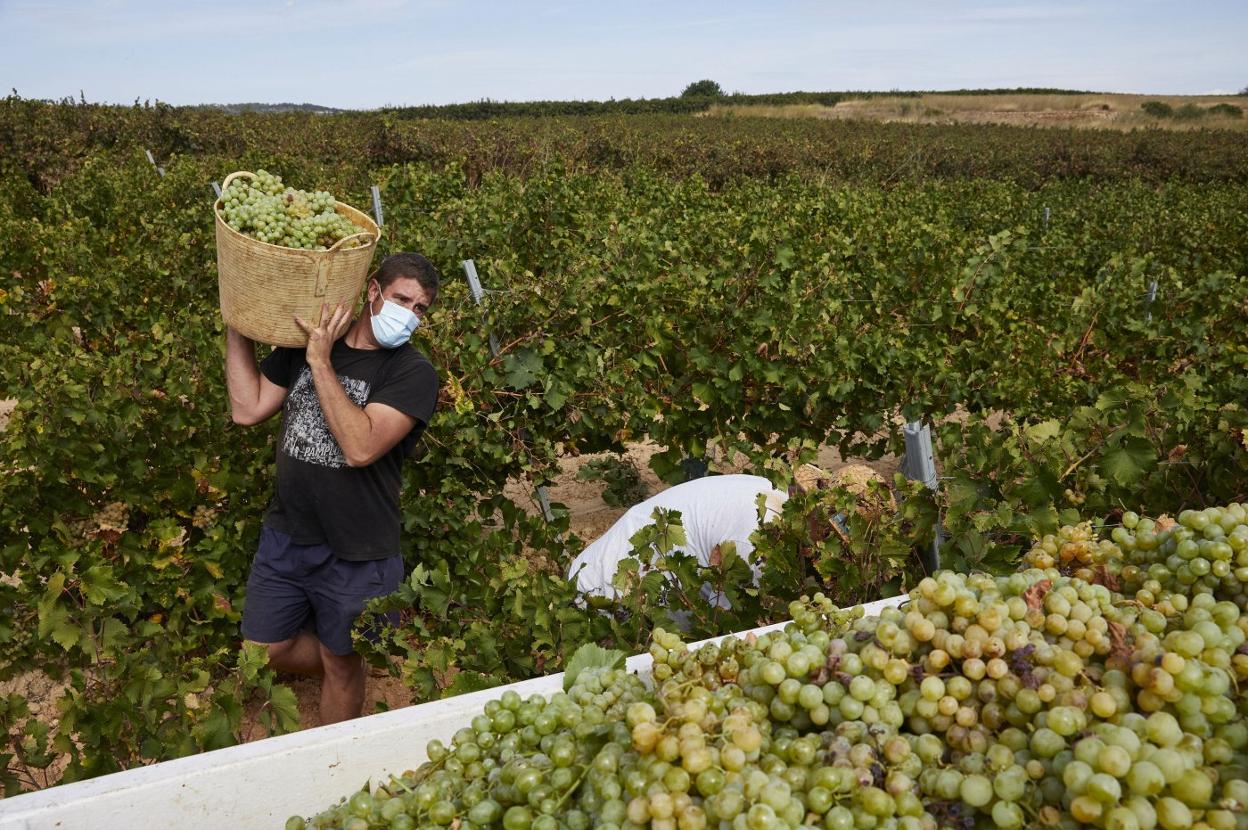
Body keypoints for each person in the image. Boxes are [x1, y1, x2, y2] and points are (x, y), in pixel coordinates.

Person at [224, 252, 440, 724]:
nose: (409, 314)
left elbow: (360, 447)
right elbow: (248, 408)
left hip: (359, 549)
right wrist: (237, 325)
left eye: (421, 308)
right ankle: (333, 655)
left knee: (343, 664)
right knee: (265, 648)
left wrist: (320, 361)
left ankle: (334, 766)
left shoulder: (411, 374)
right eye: (403, 298)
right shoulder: (309, 344)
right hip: (288, 533)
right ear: (373, 291)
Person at [566, 473, 788, 601]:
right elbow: (722, 622)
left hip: (647, 571)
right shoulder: (755, 543)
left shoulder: (773, 493)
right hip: (606, 586)